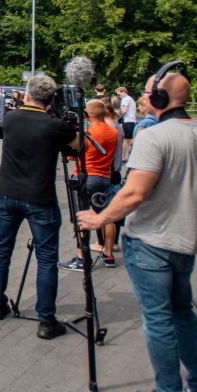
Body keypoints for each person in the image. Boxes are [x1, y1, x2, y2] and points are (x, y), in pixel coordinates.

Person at [76, 67, 197, 392]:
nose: (145, 97)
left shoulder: (155, 137)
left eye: (149, 92)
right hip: (188, 244)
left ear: (160, 98)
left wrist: (100, 221)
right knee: (183, 314)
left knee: (159, 320)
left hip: (150, 241)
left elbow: (135, 192)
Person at [0, 74, 77, 338]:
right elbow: (78, 146)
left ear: (26, 94)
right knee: (47, 258)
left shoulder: (11, 118)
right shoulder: (54, 124)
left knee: (2, 249)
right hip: (39, 196)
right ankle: (46, 320)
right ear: (50, 99)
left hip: (7, 193)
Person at [57, 99, 119, 271]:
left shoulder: (89, 133)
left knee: (82, 217)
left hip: (85, 176)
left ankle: (81, 257)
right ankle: (108, 253)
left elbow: (71, 156)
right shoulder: (113, 132)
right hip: (104, 177)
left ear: (88, 115)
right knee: (107, 215)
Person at [117, 87, 138, 156]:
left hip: (127, 121)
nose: (119, 96)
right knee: (129, 140)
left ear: (123, 91)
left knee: (125, 140)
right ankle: (127, 156)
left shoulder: (125, 99)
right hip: (132, 121)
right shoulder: (130, 98)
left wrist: (118, 116)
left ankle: (123, 156)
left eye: (119, 94)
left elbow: (124, 110)